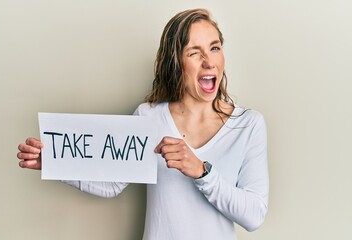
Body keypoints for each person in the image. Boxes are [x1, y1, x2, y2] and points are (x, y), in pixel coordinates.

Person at [17, 8, 269, 240]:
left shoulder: (248, 125)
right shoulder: (149, 117)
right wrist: (56, 162)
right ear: (176, 63)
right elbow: (112, 184)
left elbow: (254, 215)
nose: (209, 61)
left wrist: (202, 171)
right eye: (194, 52)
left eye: (214, 48)